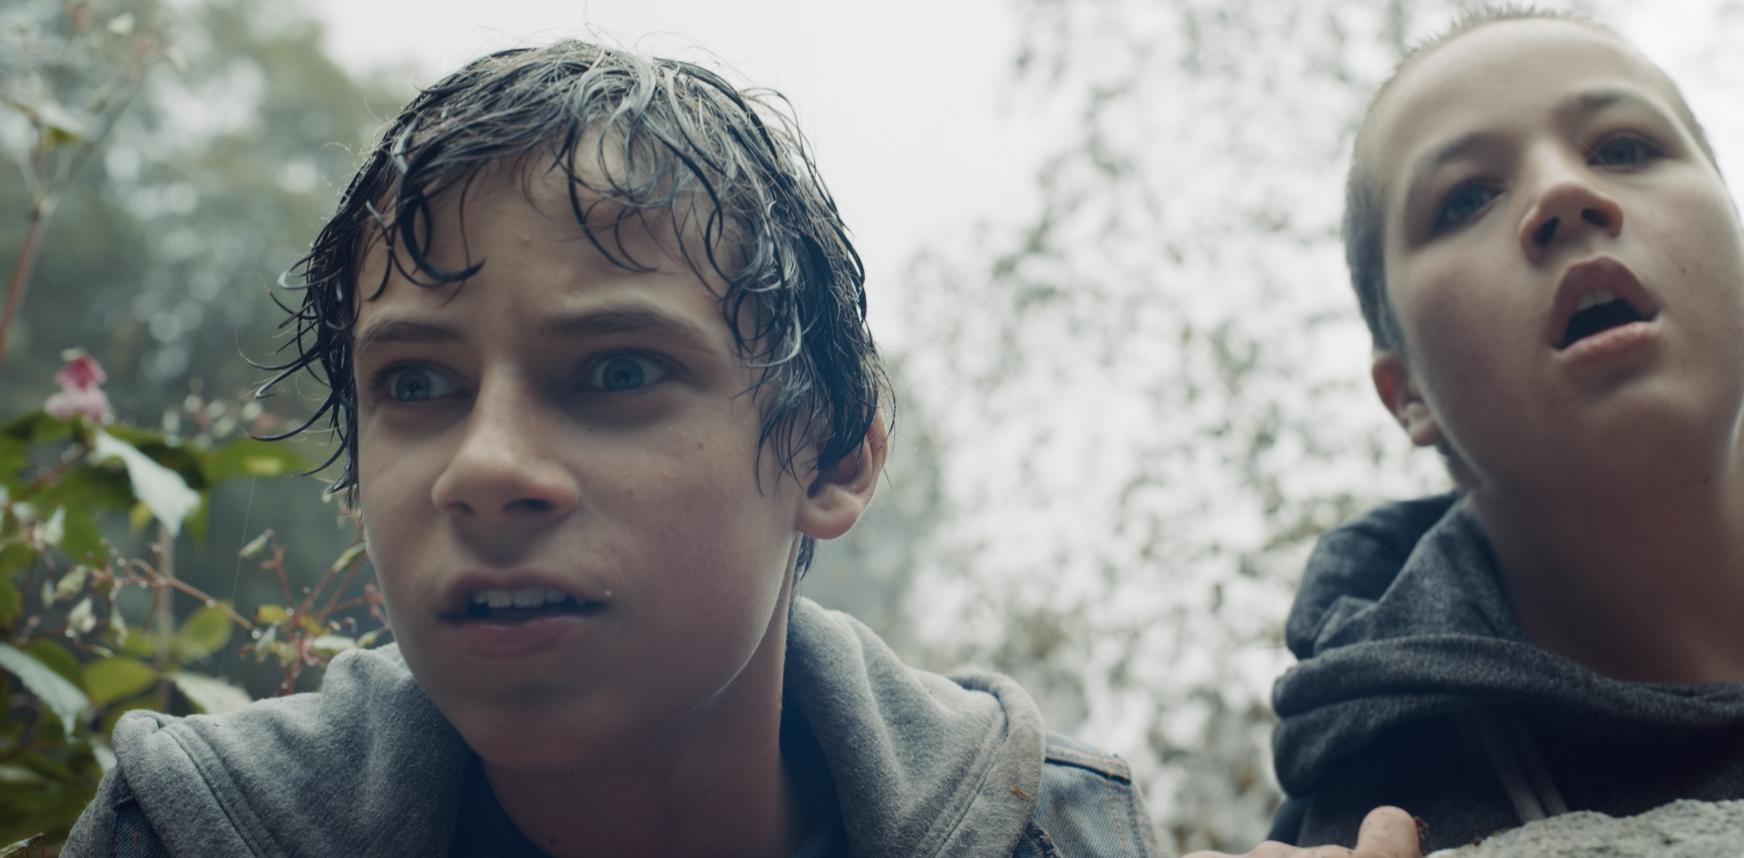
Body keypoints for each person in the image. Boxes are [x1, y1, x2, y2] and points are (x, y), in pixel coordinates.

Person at [63, 40, 1161, 858]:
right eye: (416, 384)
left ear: (832, 458)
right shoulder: (191, 834)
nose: (485, 470)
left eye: (620, 371)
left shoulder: (1050, 834)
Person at [1262, 5, 1744, 853]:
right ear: (1407, 391)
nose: (1562, 194)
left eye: (1624, 148)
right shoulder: (1372, 816)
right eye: (1466, 197)